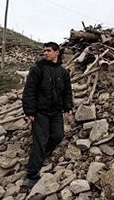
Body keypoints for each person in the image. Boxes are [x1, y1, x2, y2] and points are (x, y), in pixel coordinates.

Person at [21, 42, 73, 187]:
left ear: (57, 52)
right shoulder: (37, 69)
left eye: (48, 51)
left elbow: (67, 92)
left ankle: (44, 153)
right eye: (44, 51)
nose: (45, 53)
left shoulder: (63, 72)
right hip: (40, 112)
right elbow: (29, 90)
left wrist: (68, 107)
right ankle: (31, 176)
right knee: (40, 141)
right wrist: (29, 111)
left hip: (56, 112)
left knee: (58, 135)